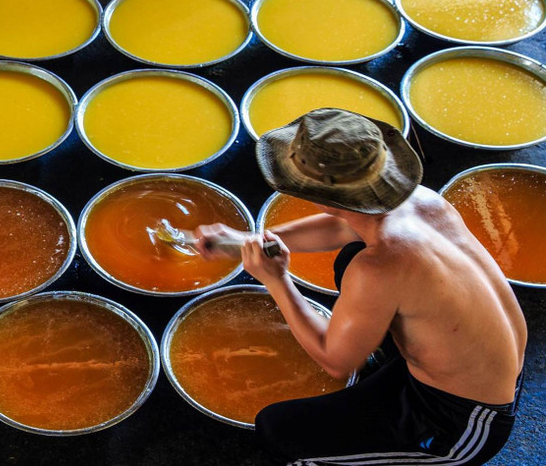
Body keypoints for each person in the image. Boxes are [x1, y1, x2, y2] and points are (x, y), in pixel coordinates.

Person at [190, 107, 526, 466]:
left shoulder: (380, 267)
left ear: (318, 195)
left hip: (461, 418)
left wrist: (277, 279)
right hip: (472, 363)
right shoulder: (421, 200)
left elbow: (336, 361)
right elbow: (339, 228)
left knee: (279, 432)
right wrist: (244, 240)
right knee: (350, 254)